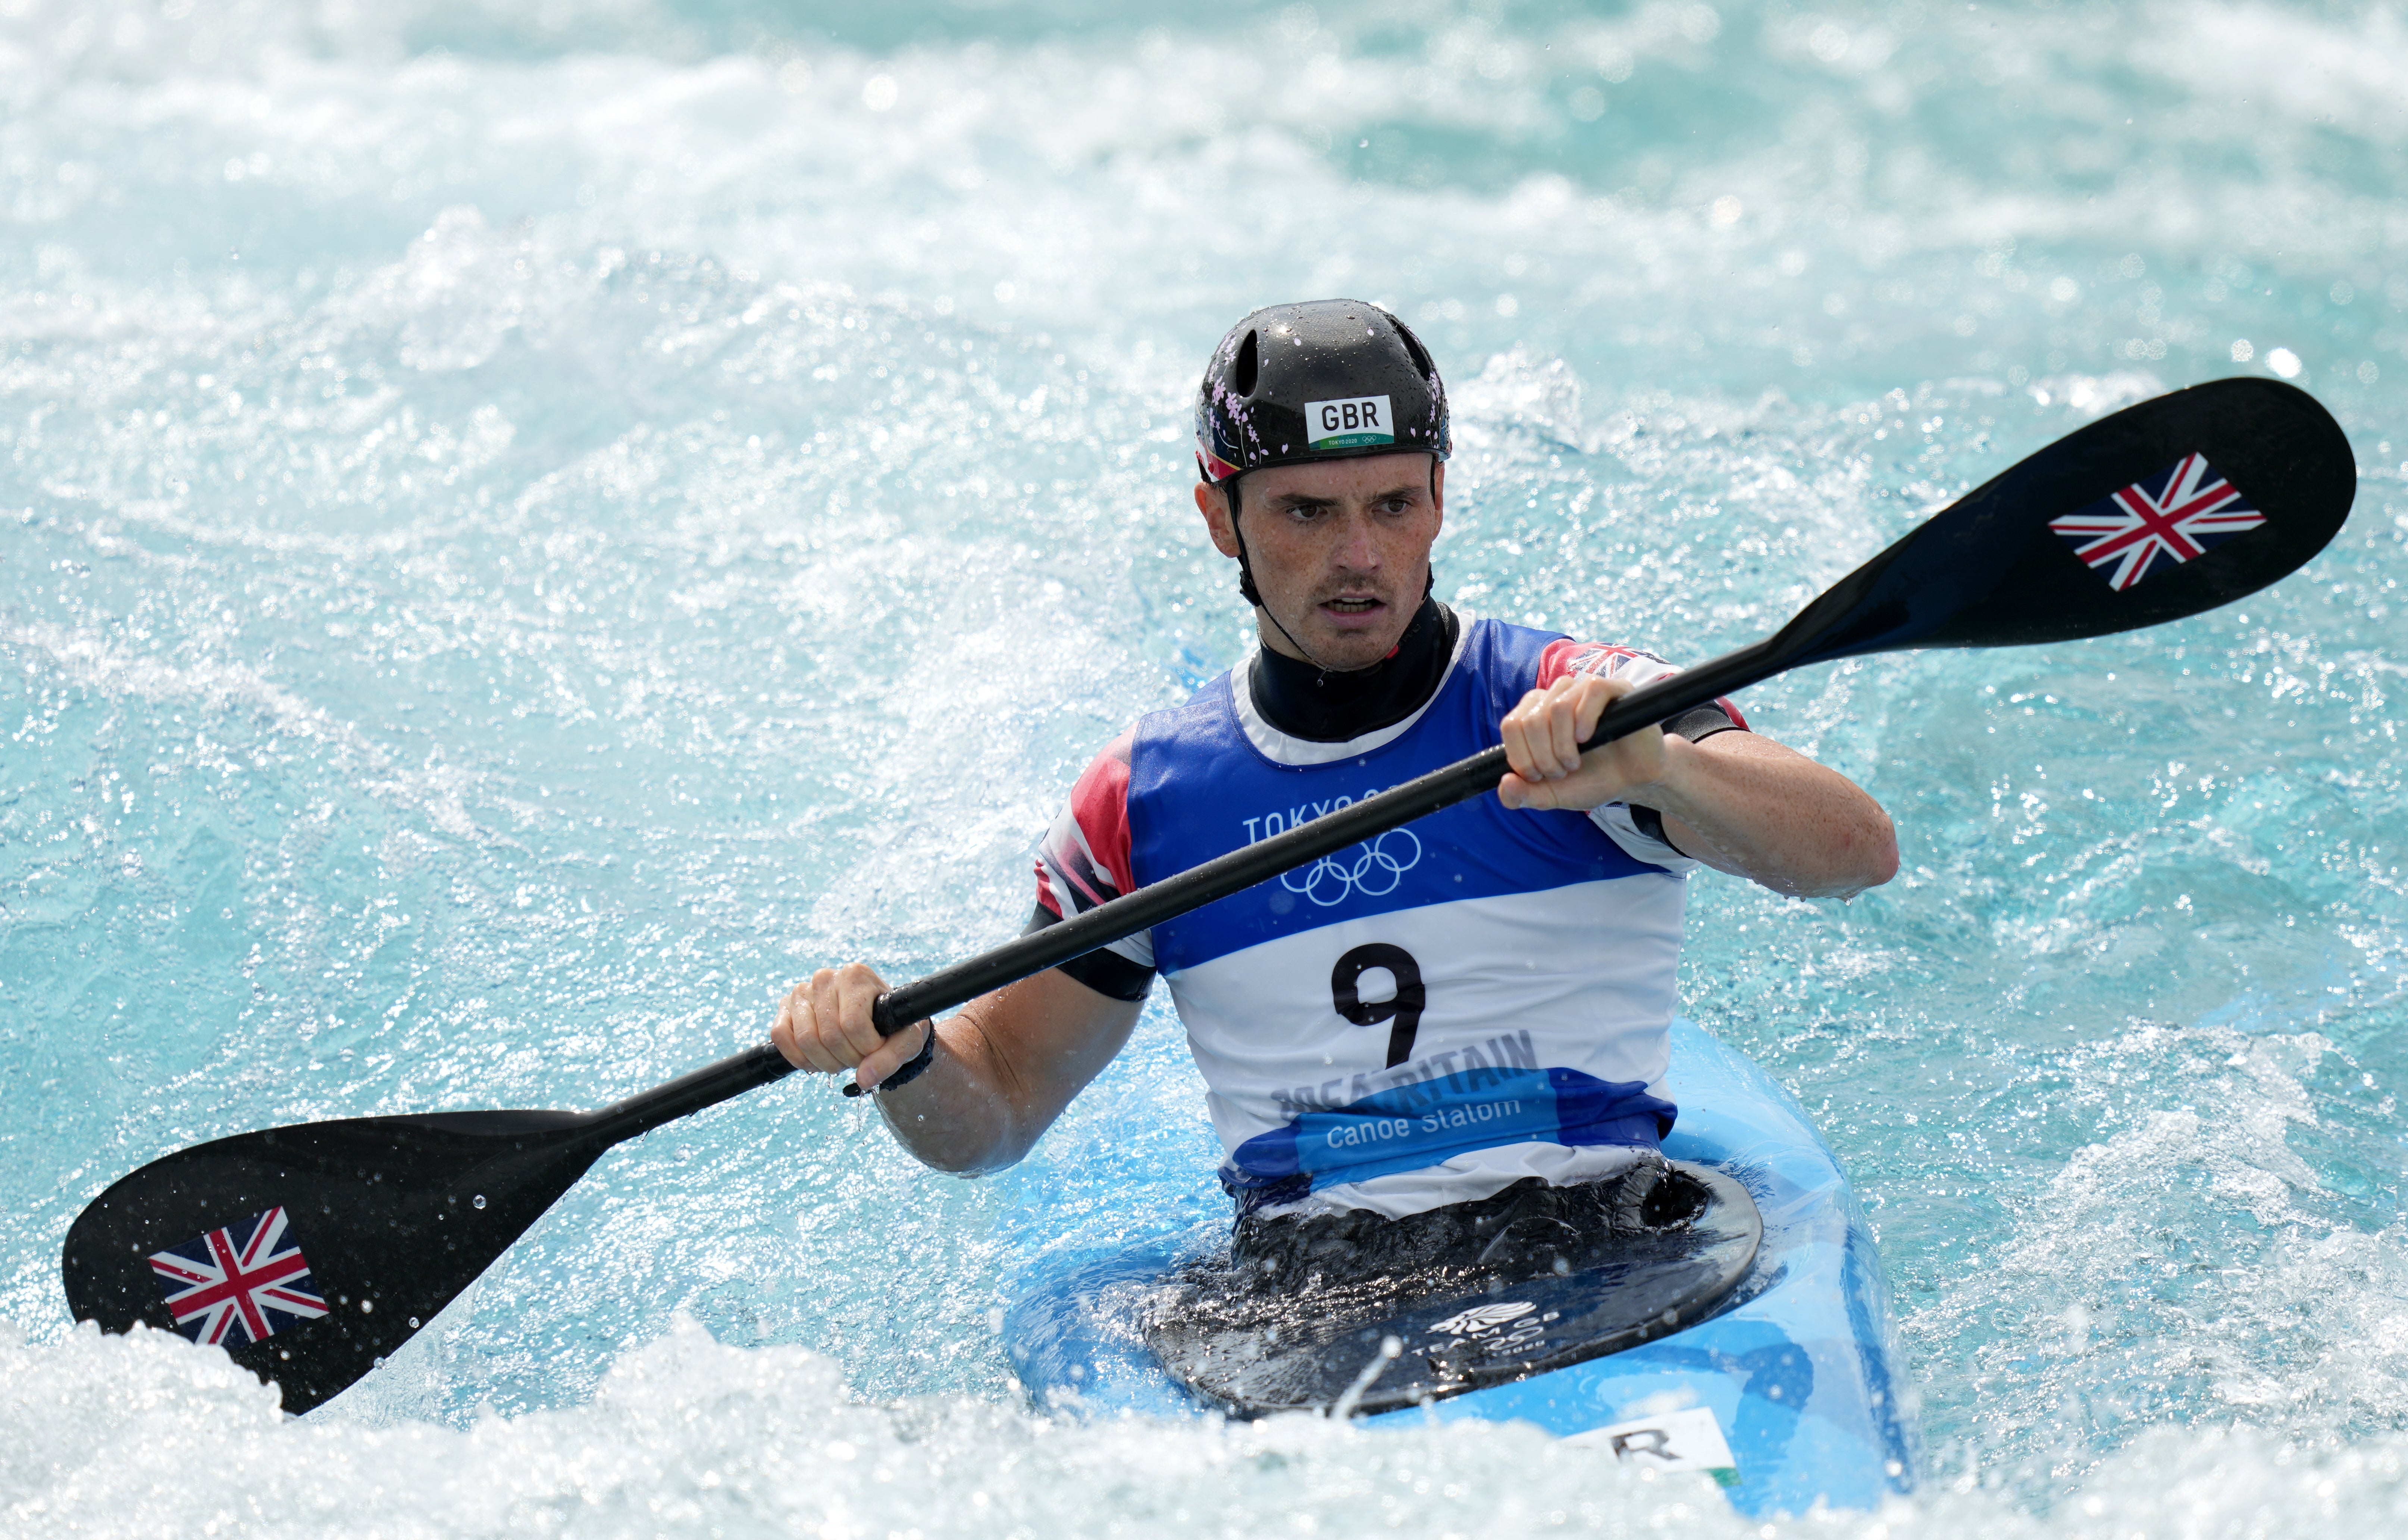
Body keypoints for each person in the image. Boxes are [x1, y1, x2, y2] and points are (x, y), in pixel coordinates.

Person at [773, 298, 1897, 1283]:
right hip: (1308, 1284)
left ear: (1441, 499)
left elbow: (1854, 851)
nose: (1358, 553)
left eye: (1393, 505)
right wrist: (907, 1058)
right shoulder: (1142, 799)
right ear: (1220, 519)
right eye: (1306, 512)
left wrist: (1664, 765)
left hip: (1600, 1240)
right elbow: (1002, 1104)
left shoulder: (1574, 702)